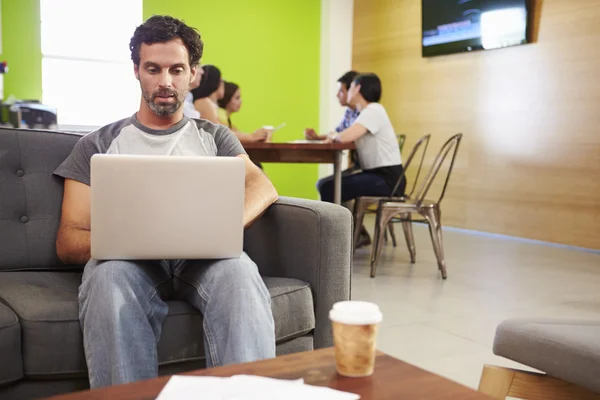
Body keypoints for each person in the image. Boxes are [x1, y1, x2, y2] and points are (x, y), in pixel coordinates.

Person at [53, 15, 278, 389]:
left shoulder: (216, 137)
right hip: (128, 266)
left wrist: (216, 229)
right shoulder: (97, 145)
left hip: (205, 261)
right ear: (137, 72)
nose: (165, 81)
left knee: (240, 274)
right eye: (153, 69)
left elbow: (262, 187)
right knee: (106, 277)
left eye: (176, 69)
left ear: (193, 74)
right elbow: (68, 239)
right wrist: (127, 241)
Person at [317, 73, 405, 204]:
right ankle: (348, 223)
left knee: (329, 187)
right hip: (378, 176)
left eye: (351, 87)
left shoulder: (373, 110)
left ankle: (342, 224)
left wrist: (333, 136)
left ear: (357, 88)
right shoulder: (367, 112)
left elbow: (345, 137)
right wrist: (335, 136)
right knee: (327, 184)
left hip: (386, 179)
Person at [304, 70, 360, 141]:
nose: (337, 95)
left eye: (341, 91)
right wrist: (316, 137)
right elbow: (338, 133)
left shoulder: (364, 112)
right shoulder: (349, 112)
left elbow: (345, 137)